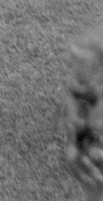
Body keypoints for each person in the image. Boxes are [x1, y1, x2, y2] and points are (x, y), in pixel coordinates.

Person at [65, 25, 103, 199]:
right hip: (89, 152)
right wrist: (73, 144)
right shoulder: (76, 87)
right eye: (73, 65)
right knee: (92, 190)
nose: (75, 71)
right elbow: (73, 120)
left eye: (82, 66)